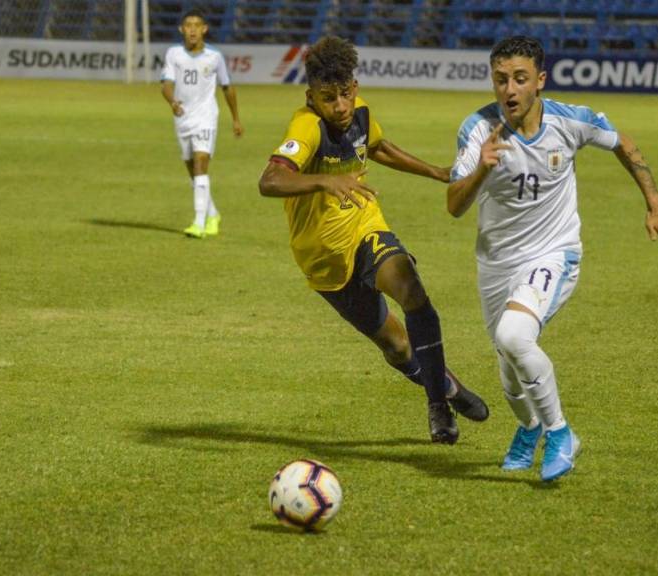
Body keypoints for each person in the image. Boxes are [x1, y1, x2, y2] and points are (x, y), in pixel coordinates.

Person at [447, 36, 658, 480]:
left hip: (553, 252)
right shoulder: (478, 130)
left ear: (540, 80)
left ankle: (560, 432)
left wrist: (656, 203)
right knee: (508, 367)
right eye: (501, 80)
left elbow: (623, 143)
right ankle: (529, 428)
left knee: (515, 337)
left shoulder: (569, 121)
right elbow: (454, 206)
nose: (510, 89)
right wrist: (481, 169)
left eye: (520, 79)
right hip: (496, 264)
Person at [258, 36, 489, 444]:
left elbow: (378, 147)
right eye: (328, 98)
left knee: (411, 289)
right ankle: (448, 387)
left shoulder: (361, 114)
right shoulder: (306, 126)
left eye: (345, 94)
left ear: (355, 87)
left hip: (366, 229)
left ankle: (437, 404)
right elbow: (270, 180)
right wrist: (324, 180)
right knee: (397, 347)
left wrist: (436, 172)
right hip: (323, 259)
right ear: (311, 97)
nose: (340, 106)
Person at [160, 9, 243, 239]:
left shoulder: (214, 57)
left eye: (197, 25)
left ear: (204, 29)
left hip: (206, 118)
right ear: (181, 29)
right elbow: (166, 84)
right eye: (188, 25)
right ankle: (213, 214)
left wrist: (236, 118)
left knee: (200, 165)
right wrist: (172, 101)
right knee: (193, 173)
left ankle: (198, 223)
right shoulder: (174, 54)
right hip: (182, 118)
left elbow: (227, 87)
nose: (193, 29)